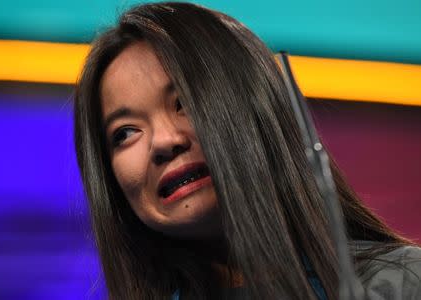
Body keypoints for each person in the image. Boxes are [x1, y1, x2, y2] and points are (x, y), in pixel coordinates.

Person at [74, 2, 421, 299]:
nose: (164, 141)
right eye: (126, 133)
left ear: (258, 110)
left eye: (185, 103)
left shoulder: (401, 285)